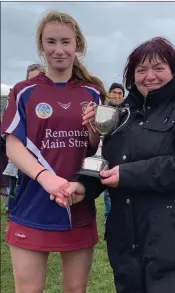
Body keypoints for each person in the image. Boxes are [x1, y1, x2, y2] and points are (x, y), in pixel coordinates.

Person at [57, 37, 175, 293]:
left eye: (159, 68)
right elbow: (109, 161)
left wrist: (128, 174)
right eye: (141, 69)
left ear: (174, 71)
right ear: (131, 74)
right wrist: (84, 186)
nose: (150, 76)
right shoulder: (123, 113)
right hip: (128, 244)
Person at [1, 11, 107, 293]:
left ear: (78, 46)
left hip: (77, 205)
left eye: (66, 42)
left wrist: (93, 131)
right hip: (32, 205)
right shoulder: (24, 91)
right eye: (51, 42)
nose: (58, 50)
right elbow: (13, 145)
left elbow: (96, 147)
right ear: (41, 45)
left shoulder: (92, 93)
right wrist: (46, 178)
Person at [3, 64, 45, 222]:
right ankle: (13, 214)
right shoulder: (18, 101)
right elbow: (9, 135)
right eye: (32, 80)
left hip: (45, 162)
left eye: (40, 80)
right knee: (15, 188)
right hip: (20, 159)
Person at [104, 82, 125, 220]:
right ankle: (108, 217)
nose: (117, 96)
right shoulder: (103, 110)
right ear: (109, 93)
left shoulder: (127, 111)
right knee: (107, 191)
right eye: (114, 92)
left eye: (120, 93)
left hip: (123, 157)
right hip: (107, 156)